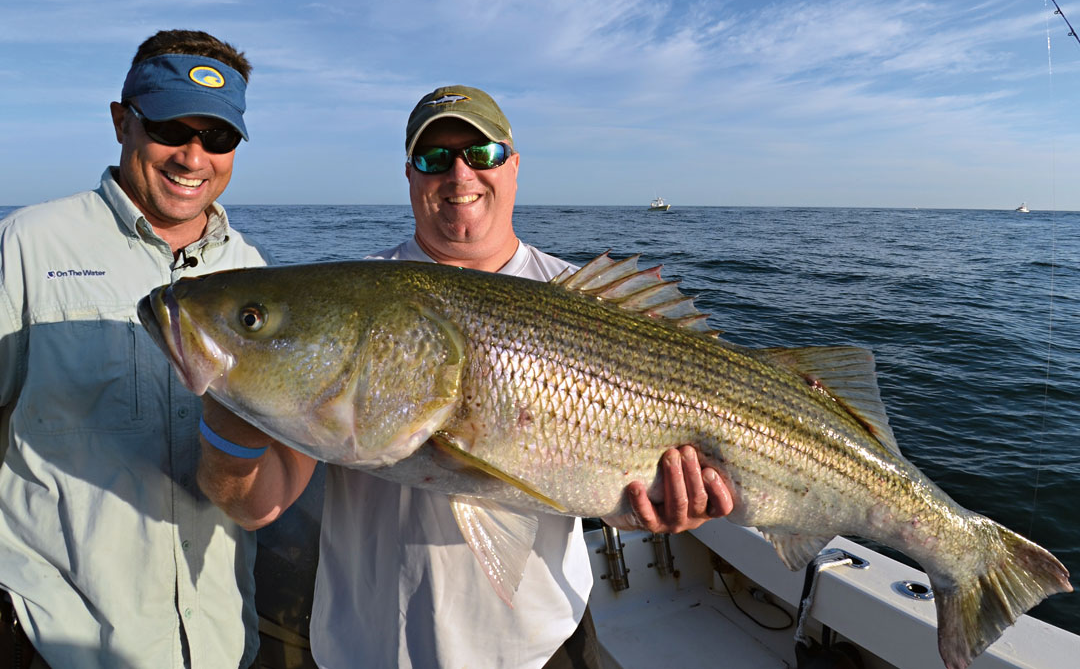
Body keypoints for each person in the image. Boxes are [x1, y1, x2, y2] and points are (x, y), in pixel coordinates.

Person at [198, 85, 734, 668]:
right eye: (434, 159)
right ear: (409, 175)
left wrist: (660, 506)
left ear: (513, 166)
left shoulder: (583, 301)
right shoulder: (356, 296)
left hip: (544, 649)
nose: (459, 174)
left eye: (480, 154)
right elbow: (256, 506)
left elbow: (606, 494)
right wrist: (231, 400)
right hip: (371, 651)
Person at [0, 30, 271, 669]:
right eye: (171, 128)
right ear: (123, 122)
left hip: (218, 643)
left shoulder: (253, 271)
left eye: (219, 138)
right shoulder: (26, 246)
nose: (193, 156)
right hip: (56, 639)